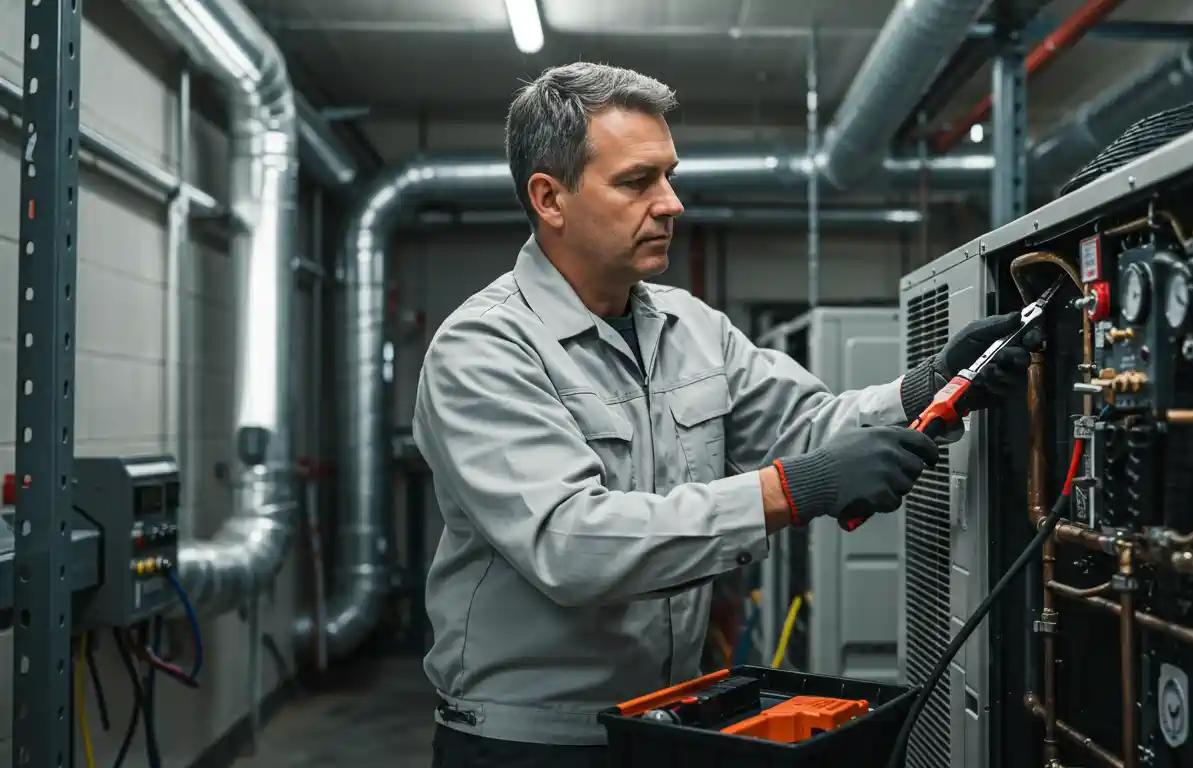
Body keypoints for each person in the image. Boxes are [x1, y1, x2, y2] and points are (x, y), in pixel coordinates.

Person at [413, 62, 1036, 768]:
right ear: (550, 198)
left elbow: (807, 428)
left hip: (669, 724)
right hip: (529, 745)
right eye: (636, 181)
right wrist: (787, 492)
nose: (671, 202)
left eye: (669, 176)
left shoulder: (690, 327)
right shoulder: (484, 349)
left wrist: (927, 389)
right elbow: (571, 544)